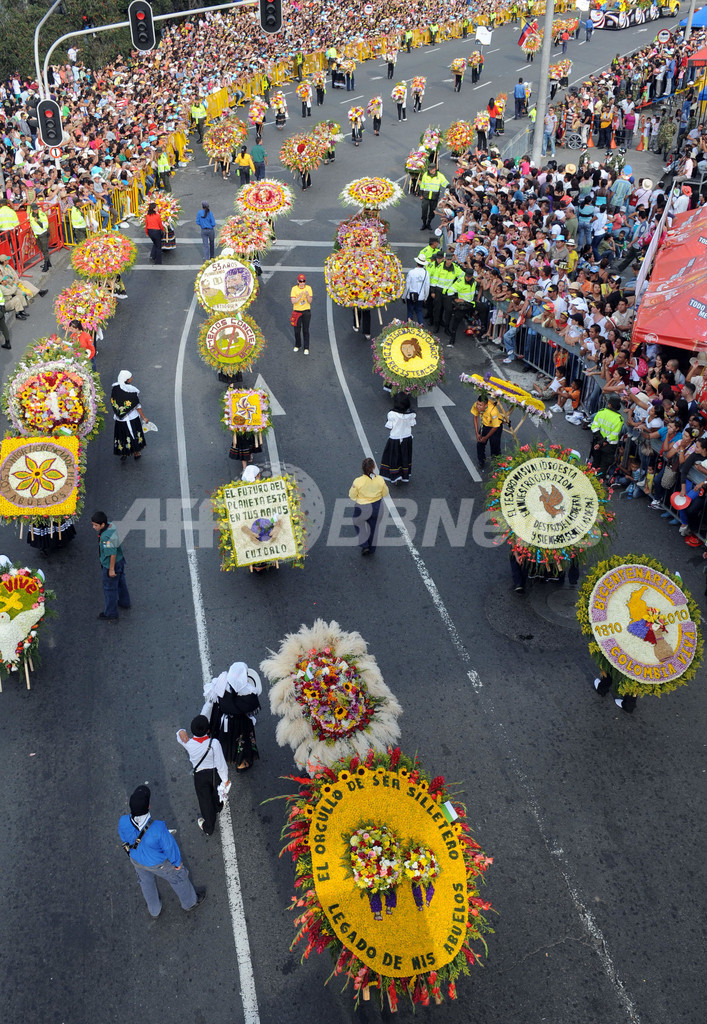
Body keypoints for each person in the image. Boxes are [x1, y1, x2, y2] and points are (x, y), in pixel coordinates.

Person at [118, 785, 206, 917]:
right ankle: (190, 903)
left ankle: (154, 910)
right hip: (159, 864)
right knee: (178, 878)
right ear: (148, 807)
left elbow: (124, 838)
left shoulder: (123, 821)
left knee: (146, 882)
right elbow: (170, 847)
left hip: (136, 859)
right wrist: (177, 864)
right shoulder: (158, 828)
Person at [202, 661, 262, 771]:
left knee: (223, 740)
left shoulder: (221, 682)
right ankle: (240, 763)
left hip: (222, 720)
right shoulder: (249, 692)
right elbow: (252, 708)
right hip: (240, 724)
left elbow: (213, 699)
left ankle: (222, 756)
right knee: (241, 743)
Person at [177, 715, 229, 836]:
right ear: (208, 730)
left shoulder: (188, 743)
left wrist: (180, 731)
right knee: (217, 792)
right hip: (214, 773)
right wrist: (225, 780)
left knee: (205, 801)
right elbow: (221, 764)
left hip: (199, 776)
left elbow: (180, 737)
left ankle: (208, 827)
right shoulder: (214, 743)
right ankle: (218, 806)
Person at [91, 510, 131, 622]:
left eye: (95, 525)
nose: (94, 527)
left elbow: (112, 553)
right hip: (120, 560)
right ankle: (124, 602)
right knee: (121, 582)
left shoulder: (105, 537)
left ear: (102, 525)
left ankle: (111, 613)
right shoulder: (111, 525)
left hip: (110, 565)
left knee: (110, 589)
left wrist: (111, 569)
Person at [349, 457, 389, 556]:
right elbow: (385, 493)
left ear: (363, 468)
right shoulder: (380, 480)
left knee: (358, 522)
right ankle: (372, 549)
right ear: (374, 467)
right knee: (374, 528)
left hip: (362, 507)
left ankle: (364, 544)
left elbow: (352, 496)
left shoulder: (358, 481)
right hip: (377, 507)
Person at [111, 370, 151, 461]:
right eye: (131, 377)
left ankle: (124, 452)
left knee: (122, 436)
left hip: (120, 419)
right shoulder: (132, 390)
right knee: (133, 435)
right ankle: (136, 452)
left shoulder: (115, 389)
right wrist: (144, 417)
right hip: (132, 418)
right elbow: (137, 406)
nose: (132, 378)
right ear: (127, 380)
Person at [380, 393, 416, 484]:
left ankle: (396, 476)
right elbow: (412, 425)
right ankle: (404, 474)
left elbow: (389, 427)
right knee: (404, 456)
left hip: (395, 439)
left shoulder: (392, 414)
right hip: (407, 438)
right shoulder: (411, 414)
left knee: (394, 457)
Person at [589, 395, 623, 476]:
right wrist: (603, 442)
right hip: (609, 445)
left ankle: (589, 478)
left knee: (595, 461)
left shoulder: (601, 412)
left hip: (597, 441)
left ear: (609, 404)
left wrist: (600, 441)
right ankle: (598, 482)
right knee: (604, 465)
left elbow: (594, 427)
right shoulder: (619, 419)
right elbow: (614, 435)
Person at [471, 394, 503, 469]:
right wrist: (477, 433)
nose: (478, 406)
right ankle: (481, 461)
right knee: (480, 444)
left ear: (486, 405)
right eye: (478, 404)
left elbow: (495, 427)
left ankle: (497, 463)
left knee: (495, 445)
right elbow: (475, 417)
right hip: (485, 425)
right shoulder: (476, 405)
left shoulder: (493, 411)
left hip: (495, 427)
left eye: (480, 405)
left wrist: (486, 437)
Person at [418, 165, 449, 230]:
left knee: (432, 212)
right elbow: (422, 185)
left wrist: (451, 188)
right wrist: (421, 194)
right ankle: (424, 223)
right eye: (429, 169)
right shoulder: (425, 174)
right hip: (426, 197)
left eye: (431, 169)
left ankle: (428, 223)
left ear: (435, 169)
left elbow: (445, 183)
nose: (430, 170)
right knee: (424, 211)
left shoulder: (440, 175)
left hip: (434, 197)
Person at [404, 255, 430, 323]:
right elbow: (427, 287)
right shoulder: (426, 273)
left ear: (417, 263)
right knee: (419, 312)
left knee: (410, 312)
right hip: (420, 297)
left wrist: (404, 296)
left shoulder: (411, 272)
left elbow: (407, 285)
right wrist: (426, 297)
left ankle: (409, 328)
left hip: (410, 296)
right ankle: (421, 328)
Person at [291, 273, 312, 354]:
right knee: (297, 330)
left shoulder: (309, 288)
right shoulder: (294, 289)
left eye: (303, 281)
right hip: (297, 311)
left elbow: (310, 301)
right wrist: (299, 297)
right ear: (298, 281)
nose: (302, 283)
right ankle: (297, 345)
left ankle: (306, 347)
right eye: (300, 281)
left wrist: (307, 296)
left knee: (305, 330)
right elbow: (293, 301)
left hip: (306, 311)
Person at [28, 204, 51, 272]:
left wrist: (38, 221)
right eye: (34, 209)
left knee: (45, 250)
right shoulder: (31, 215)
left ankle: (46, 264)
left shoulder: (42, 214)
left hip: (43, 233)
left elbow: (45, 225)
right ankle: (48, 262)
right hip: (37, 235)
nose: (36, 210)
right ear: (32, 209)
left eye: (36, 209)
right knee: (41, 249)